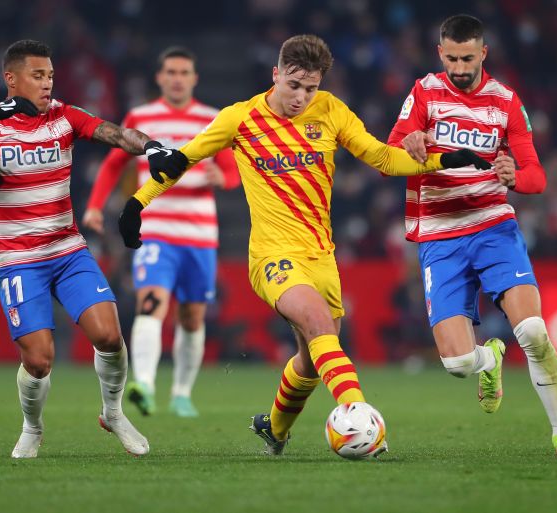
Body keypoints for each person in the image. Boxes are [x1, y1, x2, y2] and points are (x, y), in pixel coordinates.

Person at [118, 34, 490, 455]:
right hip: (272, 257)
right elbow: (179, 160)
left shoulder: (330, 111)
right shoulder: (240, 119)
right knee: (316, 322)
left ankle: (274, 431)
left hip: (322, 259)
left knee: (312, 361)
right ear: (275, 74)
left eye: (310, 88)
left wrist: (442, 160)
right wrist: (136, 203)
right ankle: (358, 414)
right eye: (293, 85)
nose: (301, 97)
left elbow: (383, 158)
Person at [387, 14, 557, 460]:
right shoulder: (424, 91)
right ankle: (489, 359)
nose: (460, 67)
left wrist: (514, 176)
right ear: (440, 53)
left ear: (484, 53)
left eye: (468, 57)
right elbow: (393, 145)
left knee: (534, 331)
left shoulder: (505, 103)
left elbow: (537, 176)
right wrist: (413, 141)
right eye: (451, 58)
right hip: (440, 236)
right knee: (458, 363)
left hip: (492, 226)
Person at [0, 39, 152, 458]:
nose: (47, 84)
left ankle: (112, 412)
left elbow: (115, 132)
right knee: (39, 360)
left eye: (50, 75)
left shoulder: (63, 116)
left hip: (67, 250)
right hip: (17, 258)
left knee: (109, 334)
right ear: (11, 79)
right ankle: (32, 427)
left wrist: (152, 146)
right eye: (37, 76)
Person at [82, 47, 240, 418]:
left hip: (200, 234)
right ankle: (146, 385)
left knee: (193, 317)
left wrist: (225, 178)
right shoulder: (142, 117)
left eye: (184, 71)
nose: (177, 78)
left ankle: (182, 394)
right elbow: (112, 164)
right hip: (155, 229)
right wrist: (93, 205)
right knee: (150, 303)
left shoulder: (212, 118)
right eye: (171, 71)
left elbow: (234, 170)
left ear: (194, 78)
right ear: (160, 77)